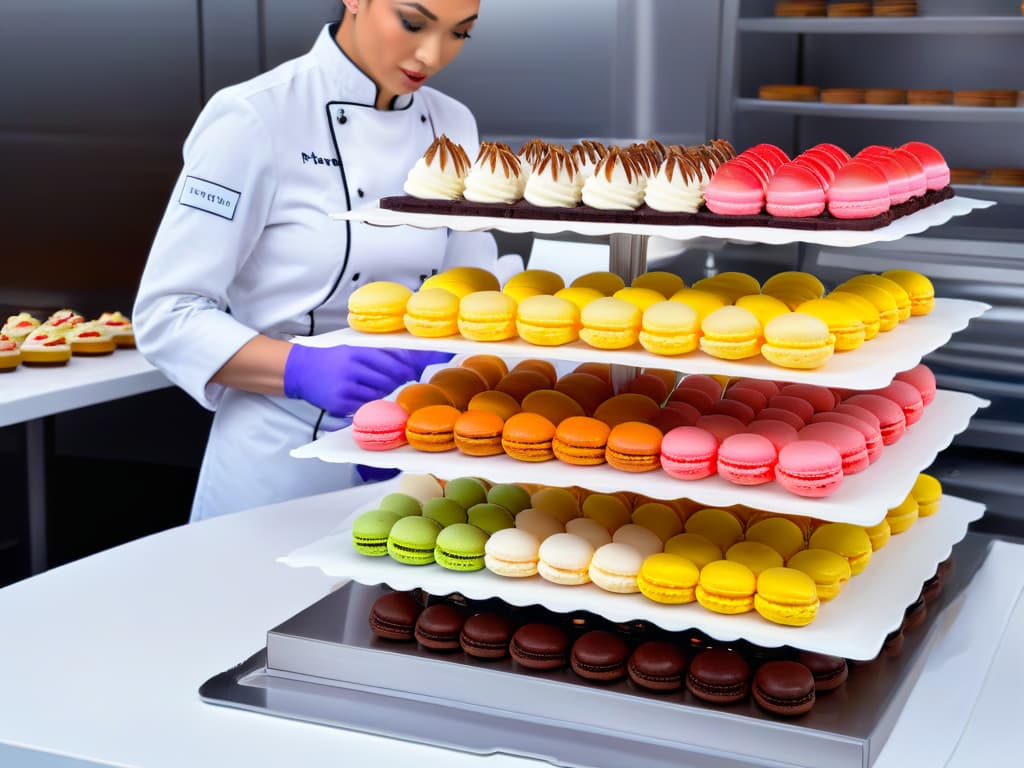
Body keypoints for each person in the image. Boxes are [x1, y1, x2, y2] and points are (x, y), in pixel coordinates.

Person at [134, 0, 493, 521]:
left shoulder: (453, 122)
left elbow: (472, 281)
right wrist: (300, 368)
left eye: (460, 33)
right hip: (278, 459)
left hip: (416, 449)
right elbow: (168, 314)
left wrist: (442, 364)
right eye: (412, 24)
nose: (431, 54)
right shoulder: (255, 115)